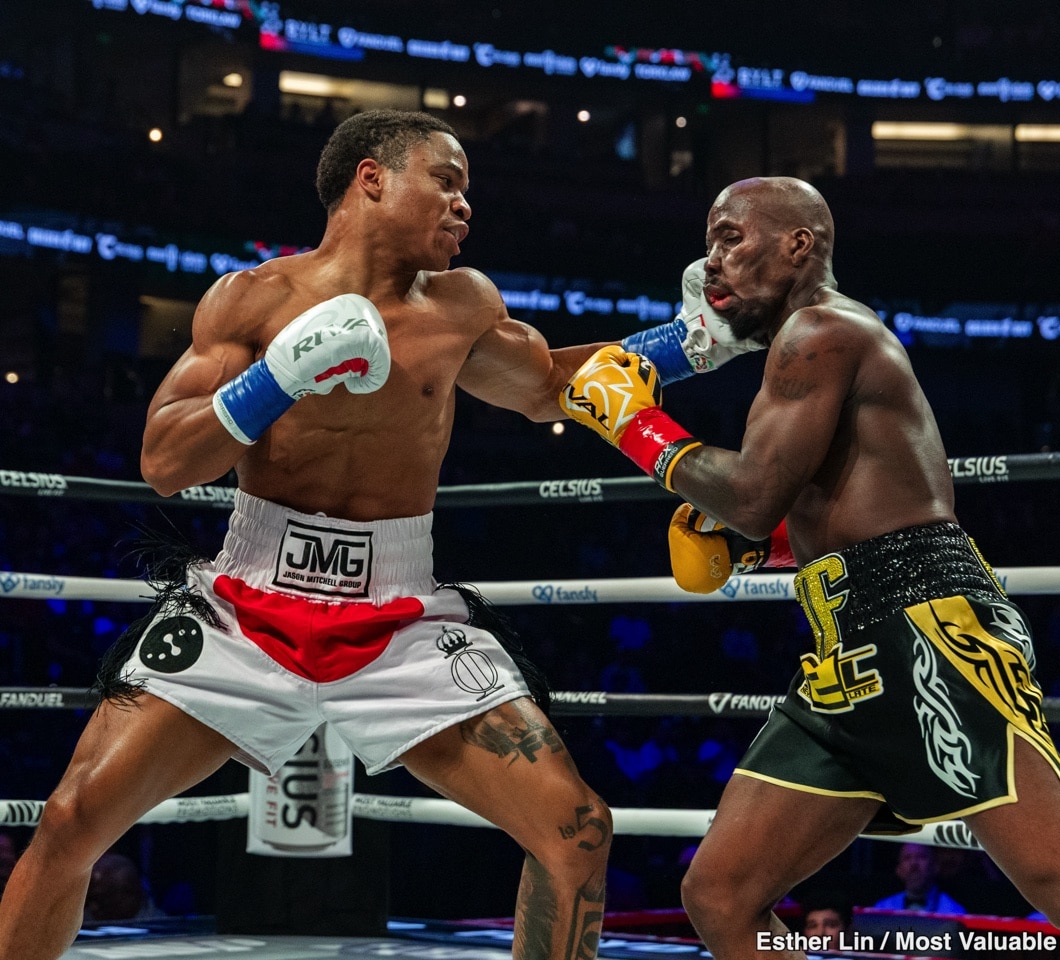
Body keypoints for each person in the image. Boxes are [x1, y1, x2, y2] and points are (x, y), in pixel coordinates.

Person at [0, 110, 757, 960]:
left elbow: (550, 384)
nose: (465, 206)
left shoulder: (463, 305)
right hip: (248, 607)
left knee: (577, 832)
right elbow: (165, 461)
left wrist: (692, 345)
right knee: (68, 820)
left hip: (398, 617)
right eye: (448, 181)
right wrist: (278, 376)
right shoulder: (253, 300)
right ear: (372, 178)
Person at [559, 176, 1060, 959]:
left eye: (732, 235)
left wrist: (634, 423)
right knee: (722, 893)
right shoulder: (807, 348)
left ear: (800, 243)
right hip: (847, 646)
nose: (713, 258)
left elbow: (757, 494)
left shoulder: (822, 331)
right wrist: (772, 547)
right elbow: (850, 503)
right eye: (710, 240)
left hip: (932, 629)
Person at [871, 843, 965, 914]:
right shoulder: (882, 908)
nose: (914, 864)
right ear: (898, 869)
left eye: (921, 857)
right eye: (907, 858)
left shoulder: (953, 910)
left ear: (935, 866)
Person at [84, 852, 167, 923]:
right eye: (91, 898)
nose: (93, 907)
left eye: (103, 899)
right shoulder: (83, 923)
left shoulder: (162, 927)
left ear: (129, 895)